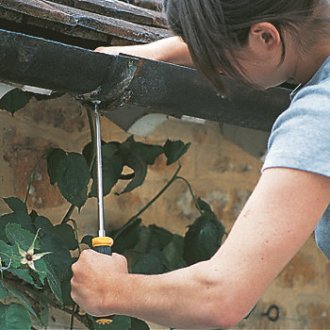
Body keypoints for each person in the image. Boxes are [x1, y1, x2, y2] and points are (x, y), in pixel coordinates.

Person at [70, 1, 330, 328]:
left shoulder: (319, 115)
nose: (212, 71)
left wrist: (110, 290)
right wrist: (161, 51)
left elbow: (220, 298)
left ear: (265, 37)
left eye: (216, 59)